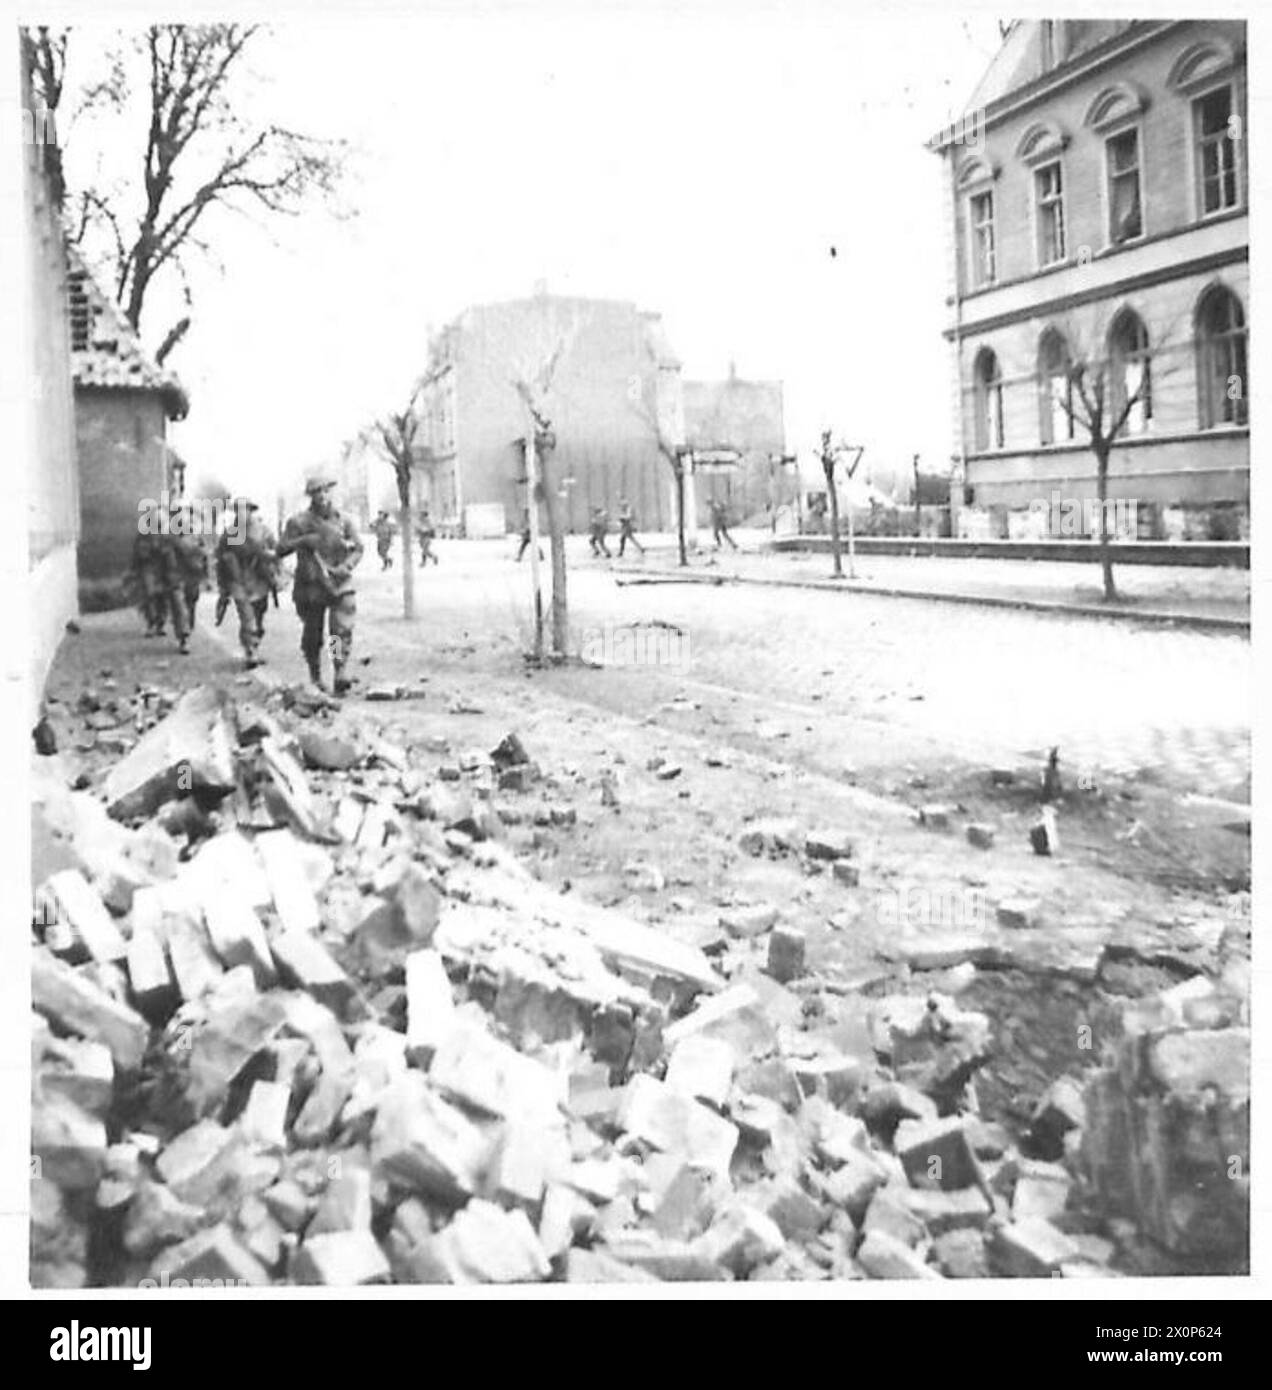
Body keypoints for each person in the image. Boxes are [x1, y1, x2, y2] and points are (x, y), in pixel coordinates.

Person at [277, 472, 364, 694]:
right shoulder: (298, 522)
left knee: (339, 631)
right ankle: (315, 675)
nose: (322, 496)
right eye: (317, 492)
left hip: (339, 582)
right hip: (311, 584)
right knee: (313, 634)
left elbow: (358, 548)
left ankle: (339, 671)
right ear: (310, 496)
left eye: (326, 491)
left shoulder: (344, 520)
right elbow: (280, 549)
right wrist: (303, 541)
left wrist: (345, 567)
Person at [217, 498, 279, 668]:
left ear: (252, 511)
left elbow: (277, 552)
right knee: (247, 618)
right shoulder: (230, 534)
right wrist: (223, 587)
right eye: (238, 510)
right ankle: (250, 650)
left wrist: (272, 568)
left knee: (258, 618)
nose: (242, 513)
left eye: (245, 509)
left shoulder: (263, 531)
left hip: (260, 581)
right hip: (239, 581)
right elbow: (221, 560)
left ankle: (336, 662)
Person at [168, 501, 209, 637]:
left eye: (183, 513)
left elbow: (204, 556)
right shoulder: (170, 537)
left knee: (191, 603)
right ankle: (183, 636)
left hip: (192, 574)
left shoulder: (196, 536)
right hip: (176, 575)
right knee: (179, 605)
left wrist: (205, 575)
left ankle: (187, 627)